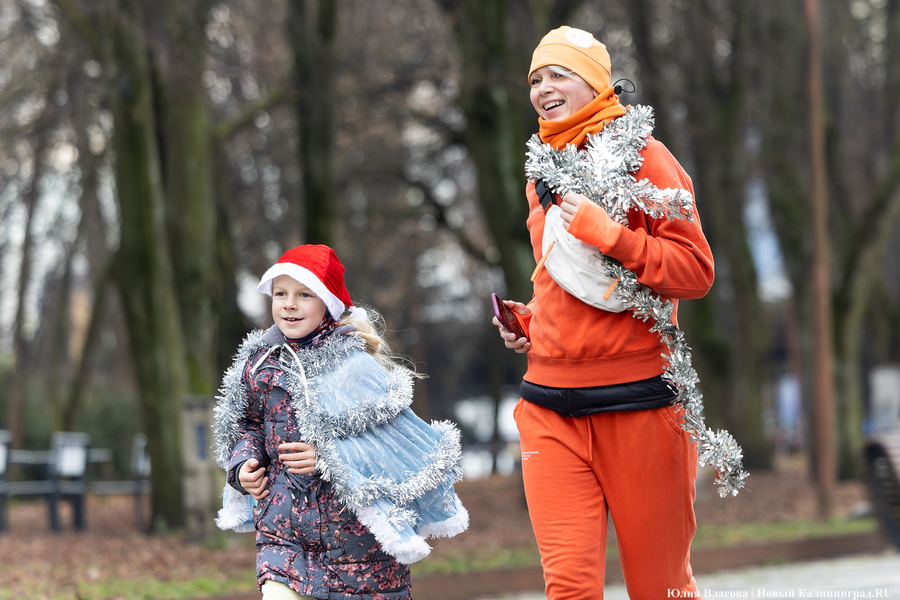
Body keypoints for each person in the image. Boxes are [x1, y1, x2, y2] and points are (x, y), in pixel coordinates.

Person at [493, 27, 715, 599]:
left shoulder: (645, 156)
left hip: (640, 405)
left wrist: (613, 235)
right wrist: (534, 321)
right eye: (535, 79)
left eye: (558, 74)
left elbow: (695, 272)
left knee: (660, 587)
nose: (543, 88)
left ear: (593, 82)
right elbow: (568, 282)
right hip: (550, 407)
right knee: (568, 589)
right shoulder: (541, 170)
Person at [213, 244, 468, 600]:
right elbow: (247, 424)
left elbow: (387, 446)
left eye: (304, 294)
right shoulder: (260, 366)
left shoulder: (356, 367)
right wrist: (242, 466)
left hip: (356, 547)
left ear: (328, 303)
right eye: (281, 293)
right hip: (283, 534)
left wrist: (327, 459)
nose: (289, 304)